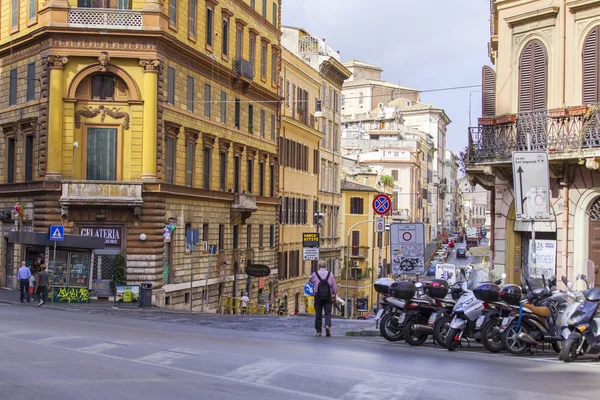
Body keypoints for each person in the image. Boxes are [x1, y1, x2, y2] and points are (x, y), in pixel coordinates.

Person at [309, 259, 338, 337]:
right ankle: (327, 325)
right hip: (328, 295)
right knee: (328, 312)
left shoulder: (315, 274)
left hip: (318, 295)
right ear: (326, 266)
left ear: (319, 266)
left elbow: (310, 280)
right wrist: (334, 294)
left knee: (318, 313)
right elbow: (334, 286)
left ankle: (319, 331)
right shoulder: (330, 274)